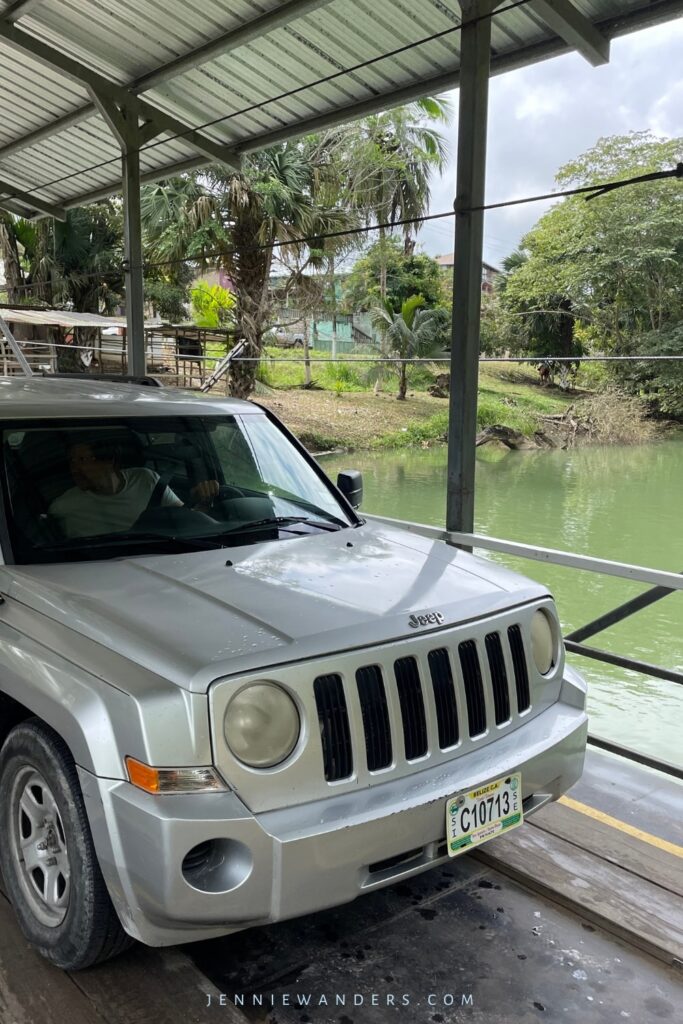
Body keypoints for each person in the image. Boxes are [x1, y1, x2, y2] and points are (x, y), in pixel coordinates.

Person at [48, 438, 219, 539]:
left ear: (110, 462)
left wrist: (202, 502)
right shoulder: (63, 507)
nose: (74, 469)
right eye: (71, 461)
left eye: (82, 460)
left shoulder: (146, 480)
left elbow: (181, 518)